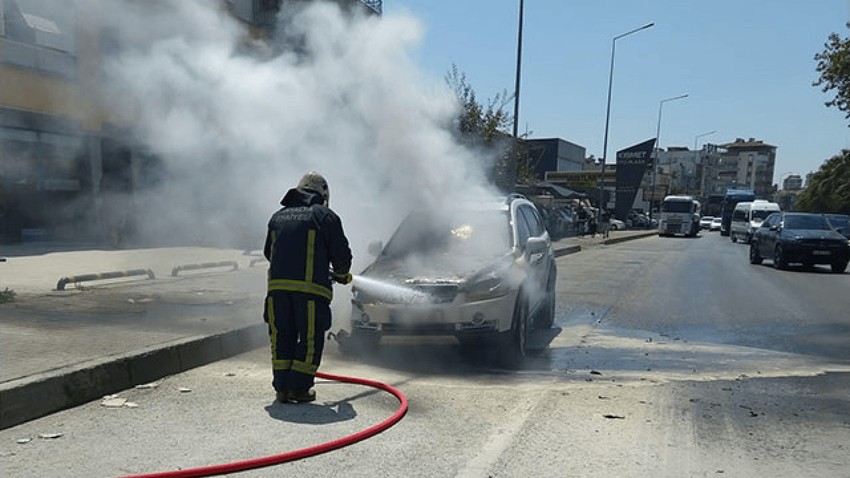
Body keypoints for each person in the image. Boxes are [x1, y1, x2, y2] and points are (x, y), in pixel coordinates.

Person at [263, 171, 353, 403]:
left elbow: (268, 252)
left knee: (281, 337)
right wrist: (342, 275)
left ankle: (282, 389)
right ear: (322, 195)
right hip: (311, 295)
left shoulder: (277, 217)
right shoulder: (325, 216)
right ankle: (299, 389)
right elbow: (341, 255)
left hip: (277, 294)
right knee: (310, 340)